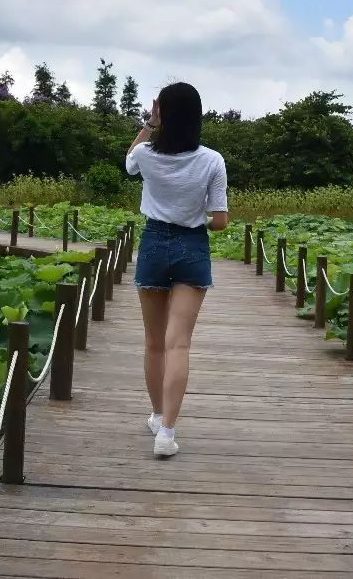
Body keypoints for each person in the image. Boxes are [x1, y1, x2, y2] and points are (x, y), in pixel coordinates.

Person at [125, 82, 228, 458]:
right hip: (192, 247)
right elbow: (219, 221)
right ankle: (166, 433)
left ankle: (156, 414)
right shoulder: (212, 160)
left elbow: (128, 160)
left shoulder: (148, 155)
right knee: (178, 343)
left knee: (153, 342)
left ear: (163, 113)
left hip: (153, 244)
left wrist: (150, 125)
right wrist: (194, 215)